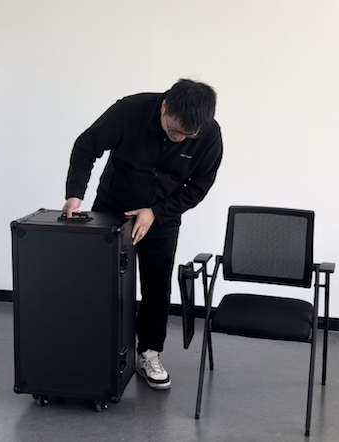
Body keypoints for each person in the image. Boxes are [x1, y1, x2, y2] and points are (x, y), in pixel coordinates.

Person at [62, 78, 223, 390]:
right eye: (174, 130)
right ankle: (98, 349)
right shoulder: (129, 111)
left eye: (187, 136)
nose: (179, 139)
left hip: (162, 215)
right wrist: (74, 194)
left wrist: (157, 213)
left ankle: (148, 352)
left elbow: (199, 187)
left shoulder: (210, 136)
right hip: (113, 206)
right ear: (164, 107)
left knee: (156, 289)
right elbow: (86, 146)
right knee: (100, 284)